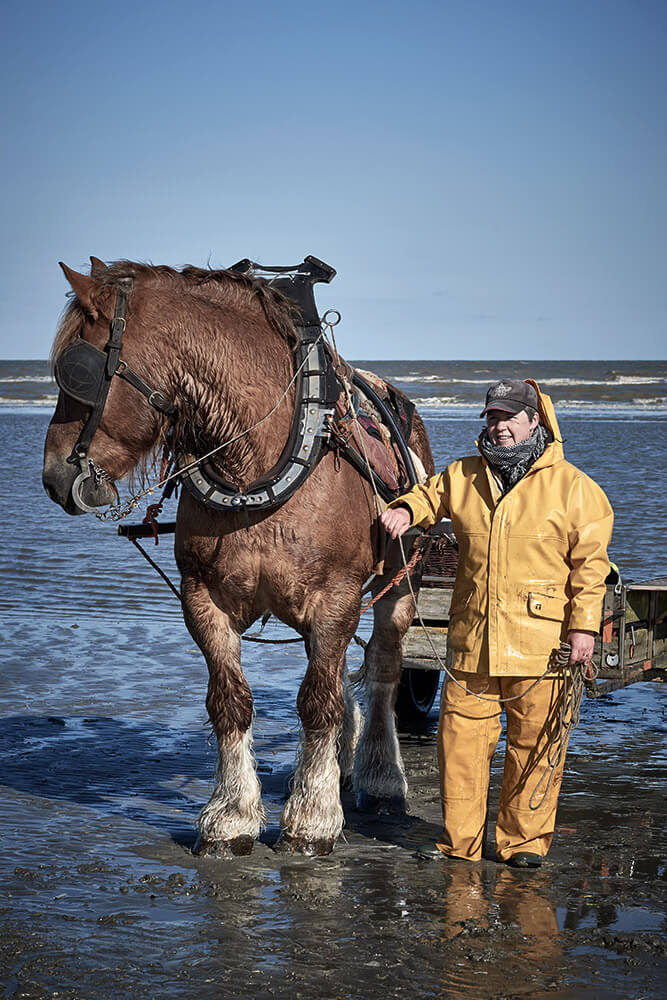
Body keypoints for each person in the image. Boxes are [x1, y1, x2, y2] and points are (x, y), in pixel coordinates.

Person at [381, 378, 613, 868]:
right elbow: (430, 496)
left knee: (536, 748)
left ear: (535, 421)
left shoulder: (575, 489)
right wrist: (406, 508)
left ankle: (523, 845)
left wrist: (584, 629)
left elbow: (590, 569)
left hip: (543, 646)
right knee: (460, 751)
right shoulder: (463, 474)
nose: (499, 426)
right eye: (491, 417)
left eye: (509, 417)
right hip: (472, 644)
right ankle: (458, 846)